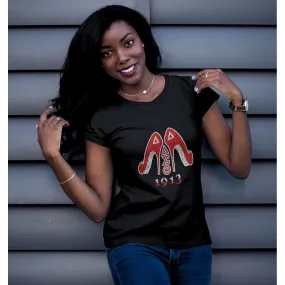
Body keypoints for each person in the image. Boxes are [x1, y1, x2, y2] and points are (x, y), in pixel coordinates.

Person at [36, 4, 252, 285]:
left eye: (128, 43)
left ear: (143, 42)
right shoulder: (102, 117)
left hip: (194, 244)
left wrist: (238, 102)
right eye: (107, 53)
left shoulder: (191, 93)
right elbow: (98, 209)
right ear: (99, 62)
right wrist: (53, 156)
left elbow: (239, 167)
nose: (122, 58)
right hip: (135, 244)